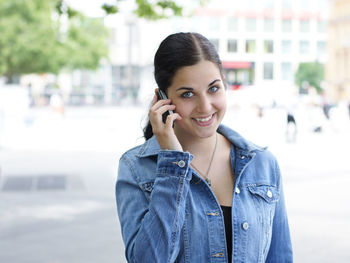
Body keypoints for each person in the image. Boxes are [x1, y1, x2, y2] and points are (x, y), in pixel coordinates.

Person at [116, 32, 293, 263]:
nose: (205, 106)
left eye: (213, 89)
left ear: (224, 85)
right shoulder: (137, 167)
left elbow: (279, 258)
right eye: (187, 94)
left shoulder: (262, 163)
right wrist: (172, 164)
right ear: (162, 99)